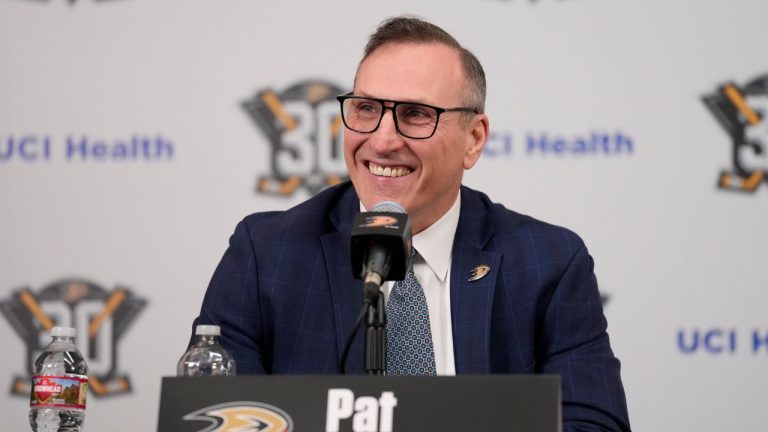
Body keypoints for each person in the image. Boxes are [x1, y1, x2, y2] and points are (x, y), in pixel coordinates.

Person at [192, 16, 631, 431]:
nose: (382, 141)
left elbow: (593, 424)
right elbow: (215, 418)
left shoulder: (547, 263)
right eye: (365, 108)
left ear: (473, 139)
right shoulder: (266, 254)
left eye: (416, 114)